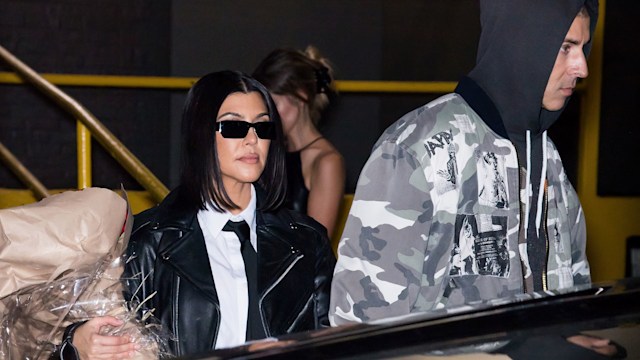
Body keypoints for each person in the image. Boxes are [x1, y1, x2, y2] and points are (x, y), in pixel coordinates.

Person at [330, 0, 598, 324]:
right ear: (521, 41)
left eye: (583, 47)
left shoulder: (547, 156)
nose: (581, 67)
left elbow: (577, 293)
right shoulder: (416, 150)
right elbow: (360, 328)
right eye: (566, 47)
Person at [57, 71, 336, 358]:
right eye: (233, 127)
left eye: (262, 128)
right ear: (201, 134)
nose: (252, 139)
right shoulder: (148, 244)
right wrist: (76, 344)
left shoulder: (307, 240)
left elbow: (336, 343)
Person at [253, 46, 346, 239]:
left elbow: (316, 247)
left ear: (301, 95)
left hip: (297, 267)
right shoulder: (268, 150)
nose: (267, 115)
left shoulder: (326, 161)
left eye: (274, 105)